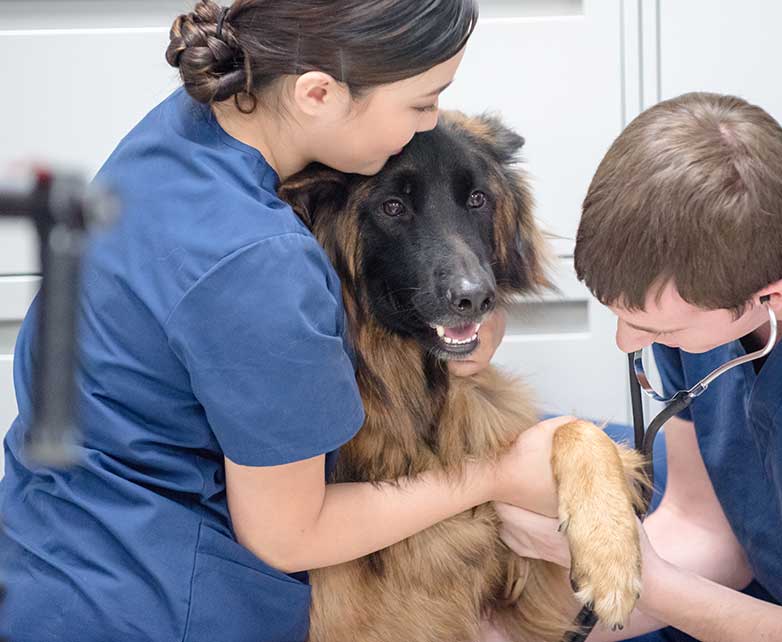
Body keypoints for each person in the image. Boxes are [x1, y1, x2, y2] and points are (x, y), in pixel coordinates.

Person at [0, 2, 568, 640]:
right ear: (317, 93)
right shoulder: (258, 265)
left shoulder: (189, 126)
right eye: (422, 103)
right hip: (155, 609)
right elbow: (290, 536)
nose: (431, 124)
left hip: (44, 558)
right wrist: (490, 476)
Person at [491, 92, 782, 642]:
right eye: (618, 314)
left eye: (659, 332)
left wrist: (645, 579)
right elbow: (704, 527)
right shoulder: (700, 216)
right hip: (749, 560)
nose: (626, 343)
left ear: (770, 298)